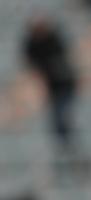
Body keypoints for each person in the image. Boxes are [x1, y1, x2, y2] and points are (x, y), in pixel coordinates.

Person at [22, 14, 80, 153]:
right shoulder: (33, 44)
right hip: (53, 88)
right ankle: (65, 150)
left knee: (62, 118)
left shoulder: (54, 41)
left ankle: (69, 149)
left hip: (64, 86)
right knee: (57, 121)